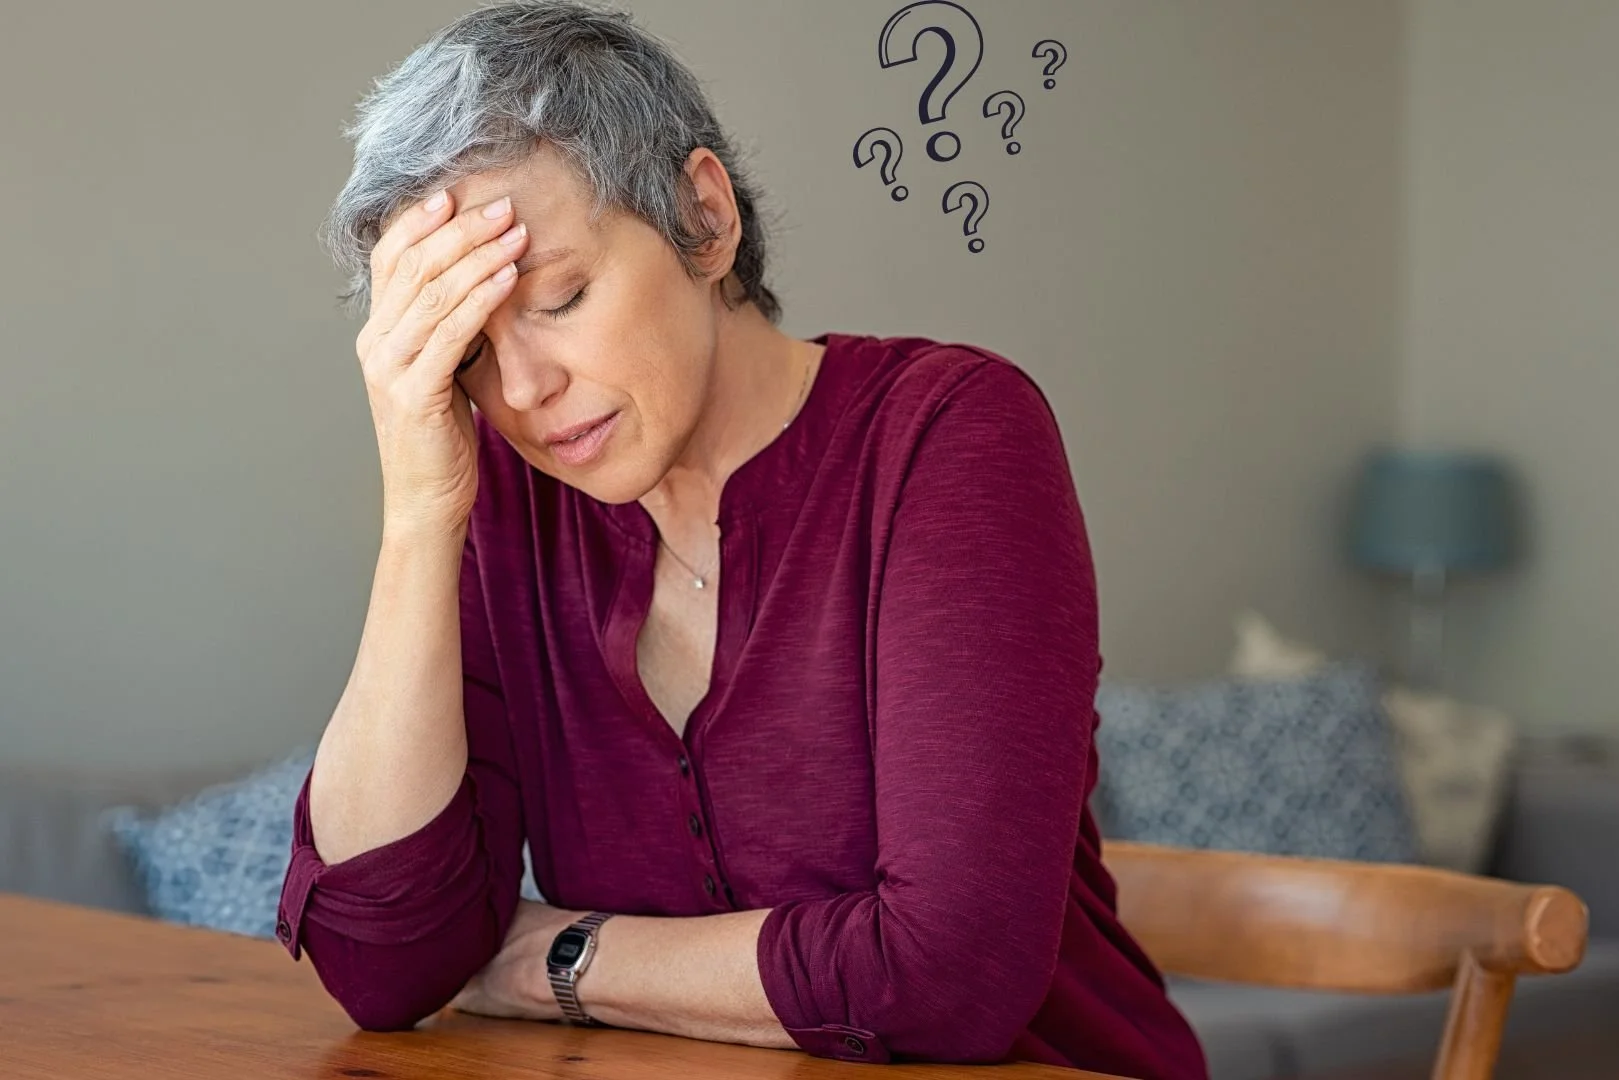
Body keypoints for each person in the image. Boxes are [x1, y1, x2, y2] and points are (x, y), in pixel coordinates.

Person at [278, 3, 1207, 1077]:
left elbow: (949, 974)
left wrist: (551, 959)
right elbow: (384, 968)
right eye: (466, 355)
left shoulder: (950, 437)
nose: (524, 392)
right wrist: (417, 519)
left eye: (561, 298)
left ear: (703, 218)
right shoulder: (504, 500)